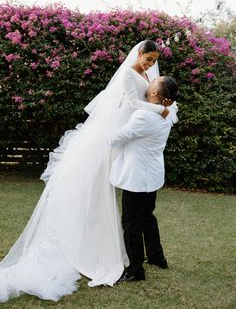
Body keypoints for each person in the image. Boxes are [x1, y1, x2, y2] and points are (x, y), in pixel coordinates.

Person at [0, 40, 177, 302]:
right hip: (136, 144)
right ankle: (153, 256)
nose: (151, 65)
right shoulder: (134, 80)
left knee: (135, 218)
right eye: (148, 59)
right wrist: (161, 108)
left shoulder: (149, 82)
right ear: (138, 54)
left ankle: (140, 264)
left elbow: (134, 121)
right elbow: (132, 104)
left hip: (133, 146)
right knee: (142, 213)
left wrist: (154, 111)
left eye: (154, 61)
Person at [108, 76, 179, 282]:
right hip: (153, 175)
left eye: (154, 82)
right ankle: (157, 257)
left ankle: (135, 270)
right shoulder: (170, 111)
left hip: (137, 178)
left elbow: (114, 139)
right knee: (148, 216)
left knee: (131, 224)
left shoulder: (144, 116)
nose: (149, 82)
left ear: (155, 93)